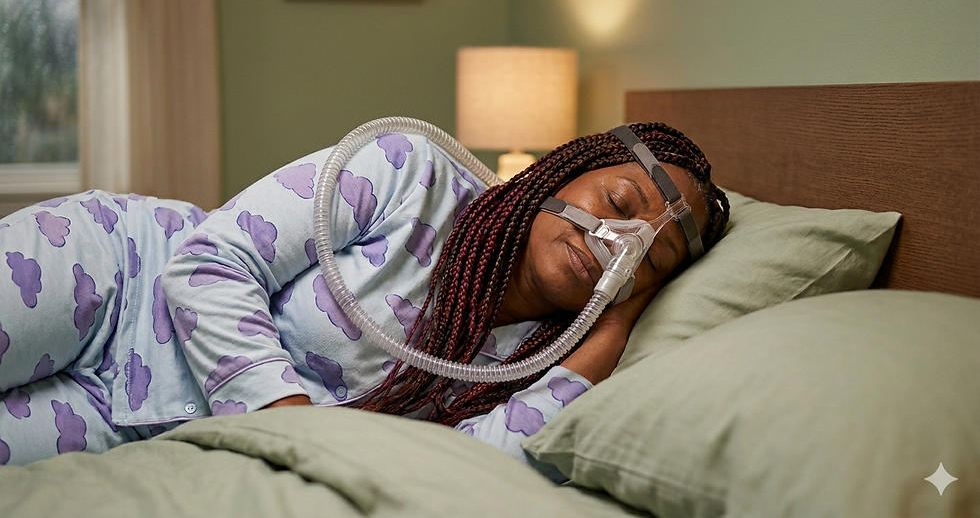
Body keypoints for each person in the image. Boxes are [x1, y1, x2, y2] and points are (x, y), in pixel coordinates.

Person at [0, 122, 729, 467]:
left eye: (649, 253)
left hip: (135, 424)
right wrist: (294, 430)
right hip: (114, 281)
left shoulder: (527, 363)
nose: (615, 238)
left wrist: (603, 337)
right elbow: (208, 263)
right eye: (619, 201)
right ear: (561, 171)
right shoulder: (412, 171)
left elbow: (473, 464)